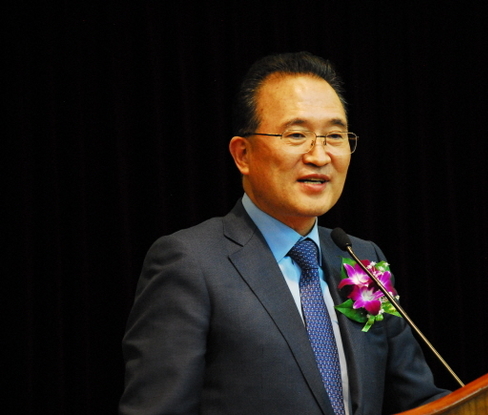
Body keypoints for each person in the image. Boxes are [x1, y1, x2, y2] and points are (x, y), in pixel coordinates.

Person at [119, 51, 449, 415]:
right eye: (296, 135)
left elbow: (421, 401)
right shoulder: (191, 263)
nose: (319, 156)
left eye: (334, 136)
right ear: (243, 154)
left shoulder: (361, 258)